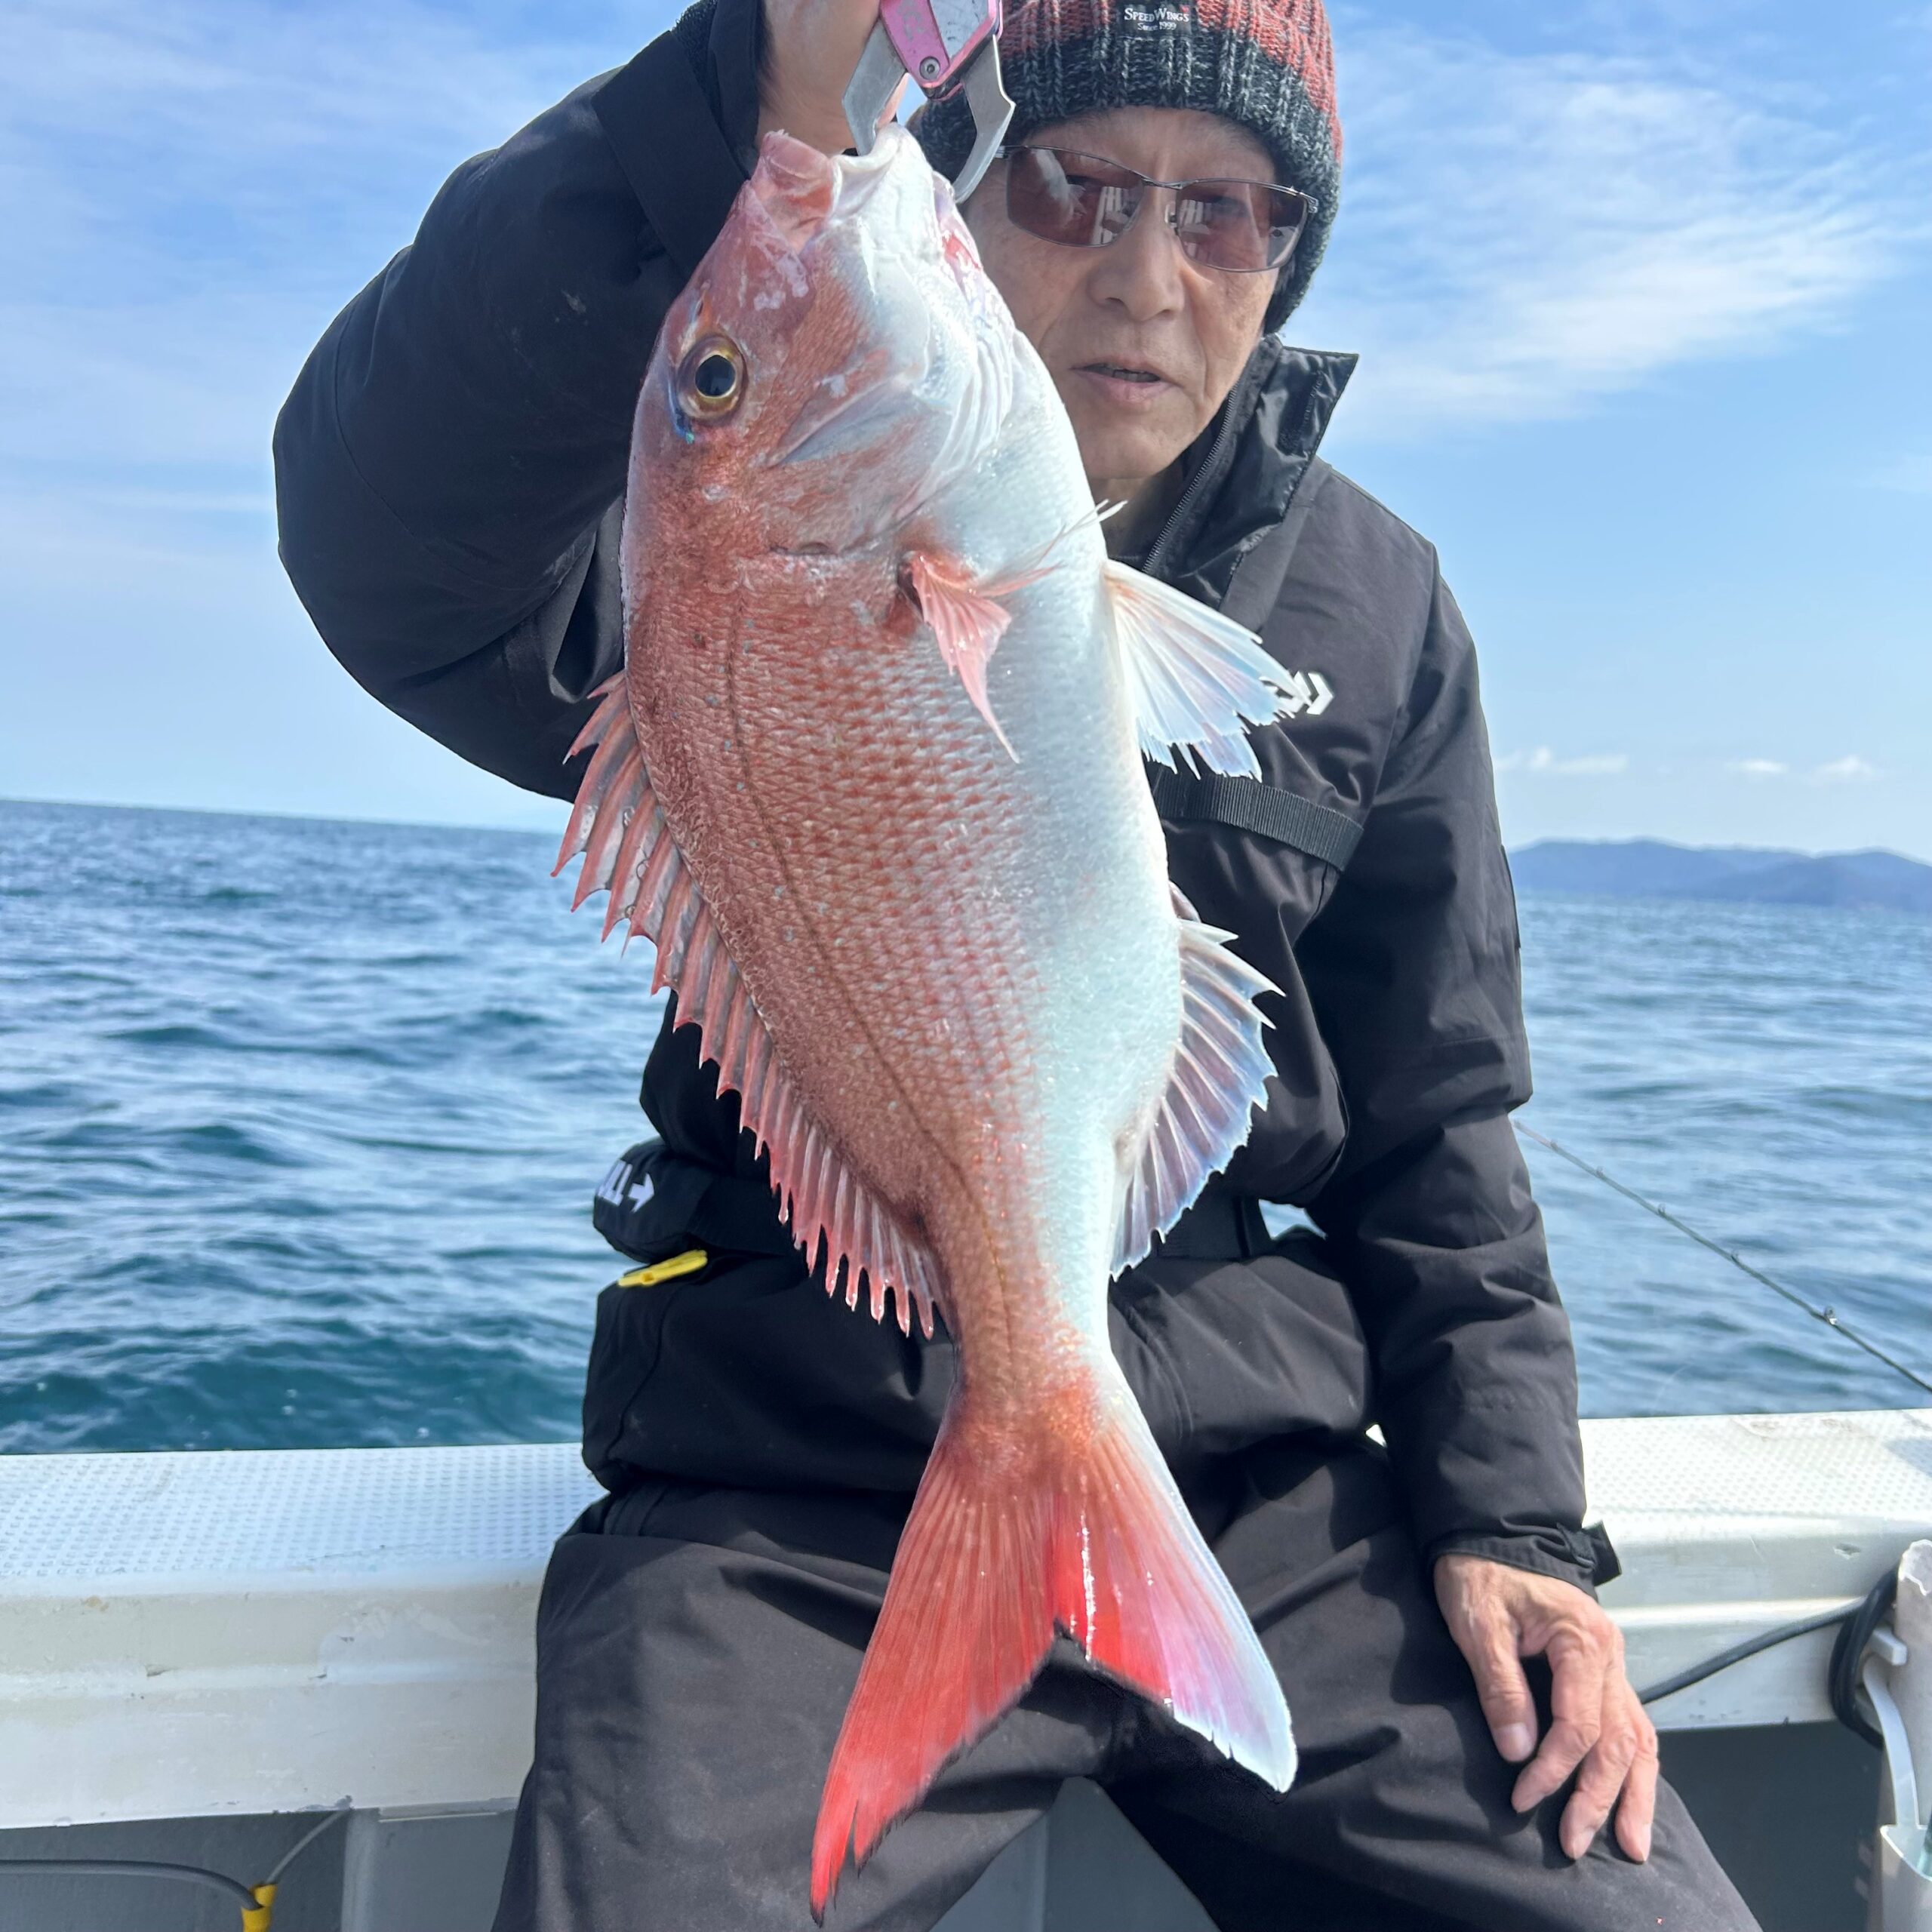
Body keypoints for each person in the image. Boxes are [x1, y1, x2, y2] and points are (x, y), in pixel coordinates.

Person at [274, 0, 1762, 1925]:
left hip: (1269, 1482)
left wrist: (1512, 1519)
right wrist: (745, 92)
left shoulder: (1378, 605)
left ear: (1285, 258)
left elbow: (1437, 1115)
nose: (1146, 274)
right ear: (966, 195)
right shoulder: (714, 541)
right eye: (1073, 187)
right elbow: (386, 534)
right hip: (792, 1469)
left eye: (1225, 215)